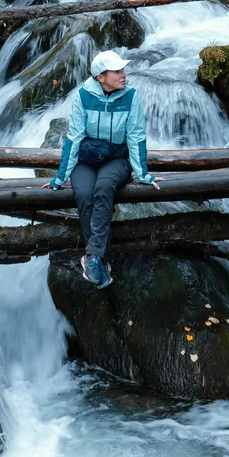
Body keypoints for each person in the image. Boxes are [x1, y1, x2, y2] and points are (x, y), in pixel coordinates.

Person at [43, 50, 163, 289]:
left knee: (104, 187)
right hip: (86, 159)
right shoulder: (84, 97)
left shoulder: (131, 97)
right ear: (101, 76)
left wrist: (144, 175)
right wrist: (58, 178)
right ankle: (97, 256)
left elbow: (136, 137)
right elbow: (74, 138)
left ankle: (93, 258)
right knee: (85, 194)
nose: (123, 75)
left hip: (116, 159)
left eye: (123, 70)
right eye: (117, 71)